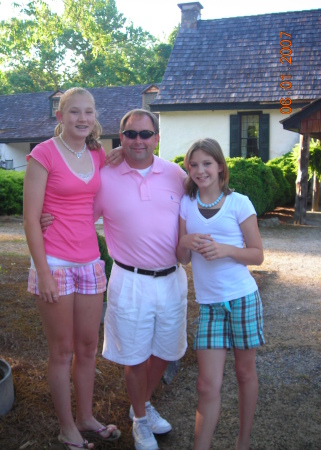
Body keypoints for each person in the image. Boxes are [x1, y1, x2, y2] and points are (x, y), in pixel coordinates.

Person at [23, 87, 121, 450]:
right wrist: (43, 272)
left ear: (95, 117)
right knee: (62, 350)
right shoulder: (42, 155)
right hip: (55, 263)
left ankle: (86, 418)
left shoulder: (96, 153)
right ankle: (67, 427)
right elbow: (31, 220)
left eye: (89, 112)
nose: (82, 118)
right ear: (60, 116)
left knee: (88, 345)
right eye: (74, 112)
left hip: (90, 261)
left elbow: (112, 175)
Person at [93, 109, 188, 450]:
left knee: (165, 351)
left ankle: (142, 405)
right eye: (130, 134)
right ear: (122, 138)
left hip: (172, 279)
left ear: (157, 138)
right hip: (130, 280)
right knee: (134, 356)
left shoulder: (177, 175)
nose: (138, 141)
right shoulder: (104, 177)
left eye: (145, 134)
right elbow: (78, 215)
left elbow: (209, 199)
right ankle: (141, 421)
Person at [176, 138, 265, 450]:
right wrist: (185, 242)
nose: (201, 170)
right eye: (194, 165)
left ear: (220, 167)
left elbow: (257, 255)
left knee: (244, 373)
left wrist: (225, 249)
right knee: (206, 384)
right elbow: (182, 258)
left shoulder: (239, 203)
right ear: (188, 169)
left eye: (207, 164)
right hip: (210, 305)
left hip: (242, 298)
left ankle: (242, 442)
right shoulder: (186, 204)